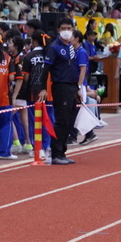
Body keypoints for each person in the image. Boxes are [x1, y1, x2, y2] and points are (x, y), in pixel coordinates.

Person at [40, 19, 87, 165]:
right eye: (63, 28)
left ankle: (62, 152)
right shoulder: (54, 47)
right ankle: (56, 153)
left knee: (69, 121)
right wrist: (43, 88)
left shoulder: (70, 47)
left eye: (69, 28)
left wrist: (78, 88)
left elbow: (73, 68)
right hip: (61, 86)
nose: (66, 31)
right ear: (58, 30)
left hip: (72, 86)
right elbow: (45, 69)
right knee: (62, 121)